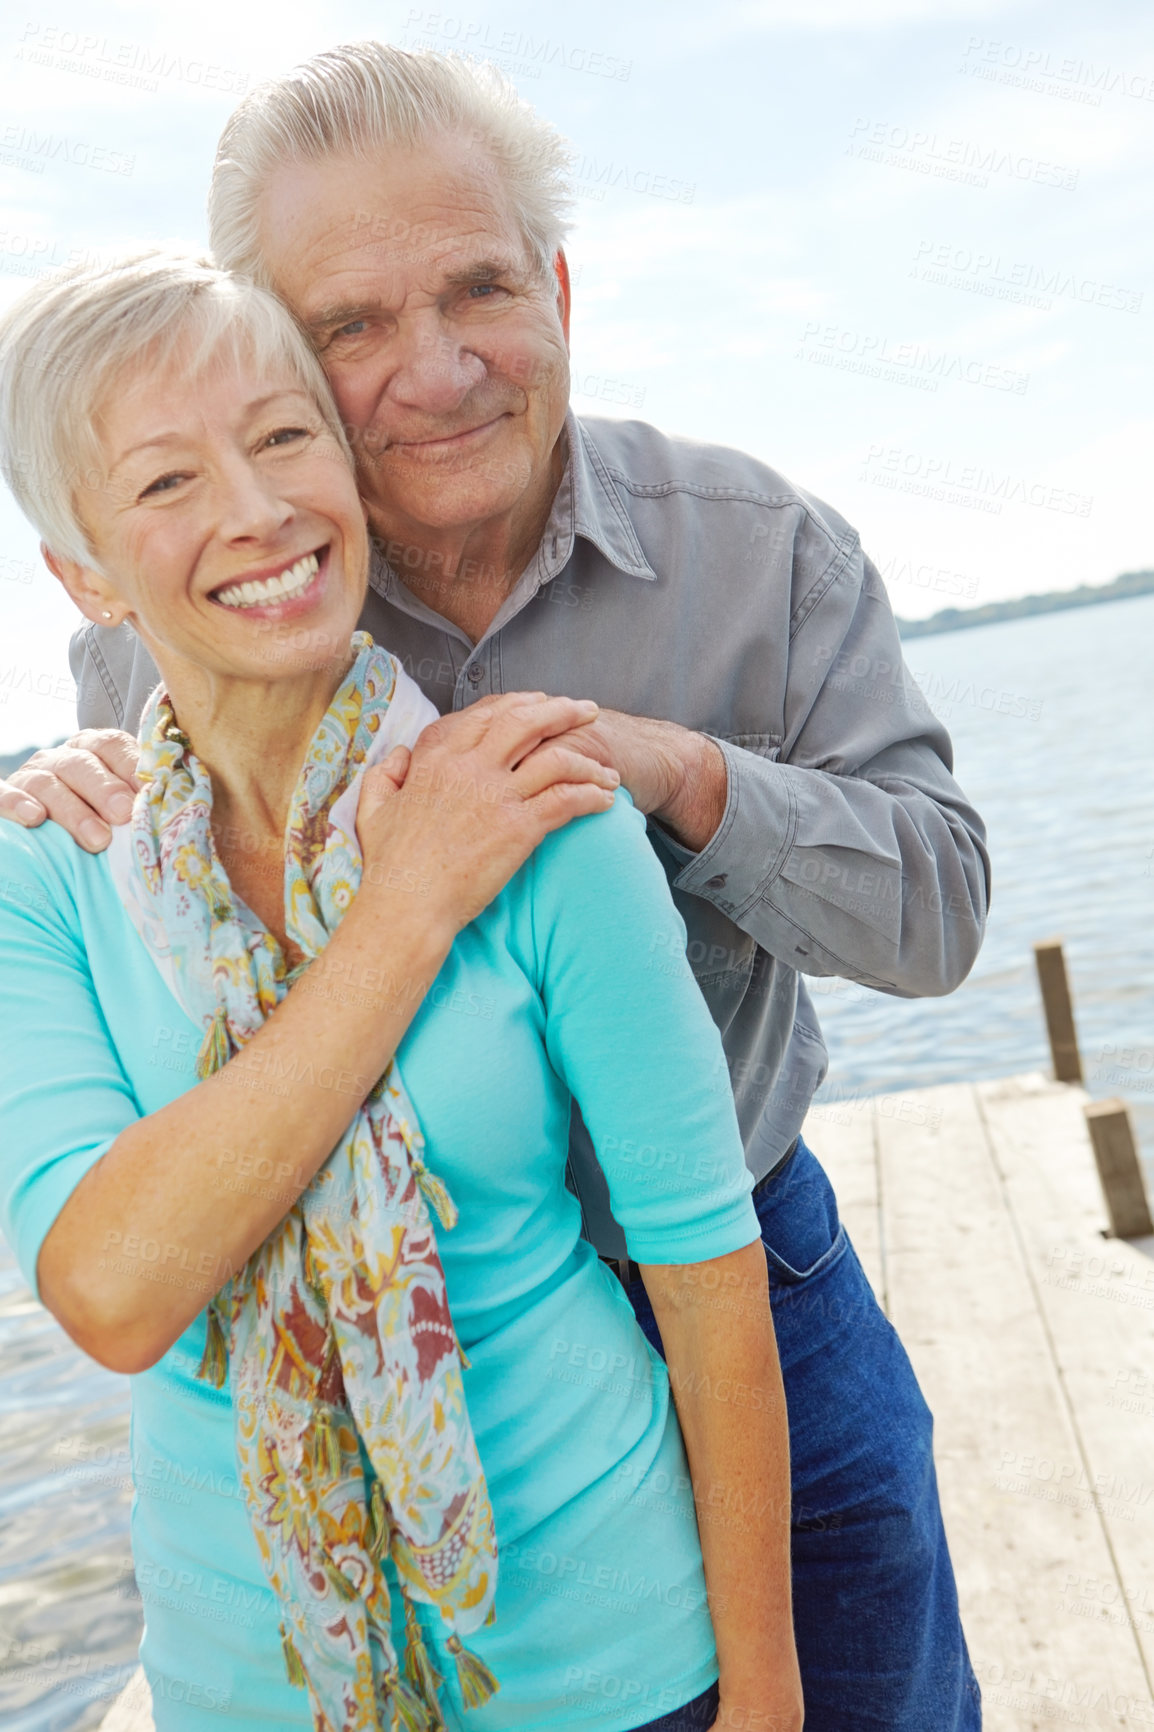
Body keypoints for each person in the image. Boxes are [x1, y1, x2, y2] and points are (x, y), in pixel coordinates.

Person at [0, 44, 989, 1730]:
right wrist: (43, 793)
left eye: (476, 289)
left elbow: (938, 913)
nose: (435, 370)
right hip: (388, 1345)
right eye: (350, 331)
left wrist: (674, 774)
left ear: (558, 289)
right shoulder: (216, 597)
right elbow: (130, 859)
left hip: (741, 1276)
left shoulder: (758, 550)